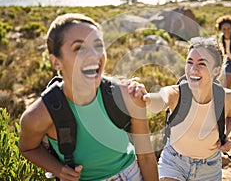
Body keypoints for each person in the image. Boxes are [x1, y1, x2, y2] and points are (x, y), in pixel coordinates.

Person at [18, 13, 158, 181]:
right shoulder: (39, 115)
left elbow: (146, 157)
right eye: (79, 48)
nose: (93, 55)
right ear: (56, 62)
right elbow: (28, 148)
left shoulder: (127, 96)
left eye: (98, 46)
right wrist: (59, 170)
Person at [131, 37, 231, 180]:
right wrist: (145, 97)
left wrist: (223, 135)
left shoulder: (228, 98)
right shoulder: (177, 94)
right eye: (189, 62)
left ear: (216, 70)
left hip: (210, 167)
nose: (193, 69)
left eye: (202, 64)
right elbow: (161, 98)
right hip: (174, 162)